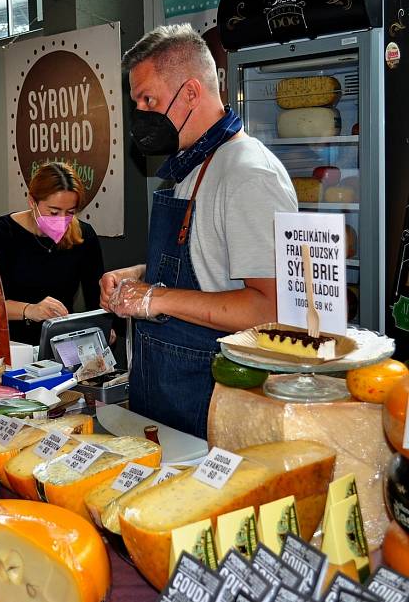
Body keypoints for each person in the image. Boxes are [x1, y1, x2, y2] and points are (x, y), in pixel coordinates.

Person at [100, 24, 297, 438]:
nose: (141, 115)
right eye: (137, 103)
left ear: (191, 93)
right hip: (162, 393)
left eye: (148, 100)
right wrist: (138, 278)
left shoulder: (248, 175)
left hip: (210, 399)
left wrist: (157, 298)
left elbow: (271, 310)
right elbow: (207, 264)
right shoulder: (191, 166)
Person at [0, 162, 105, 345]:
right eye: (53, 212)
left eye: (70, 213)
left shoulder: (83, 236)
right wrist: (30, 309)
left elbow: (96, 299)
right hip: (14, 345)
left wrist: (104, 329)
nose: (61, 220)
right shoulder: (3, 232)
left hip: (61, 343)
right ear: (32, 201)